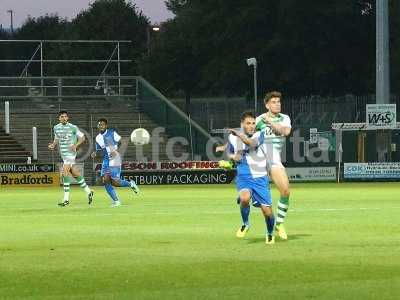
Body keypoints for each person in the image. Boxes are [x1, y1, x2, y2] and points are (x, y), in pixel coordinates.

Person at [227, 111, 275, 245]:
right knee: (244, 198)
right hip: (244, 177)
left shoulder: (259, 134)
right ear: (242, 124)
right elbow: (229, 152)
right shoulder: (232, 138)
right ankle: (245, 224)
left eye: (253, 123)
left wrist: (240, 134)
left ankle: (270, 233)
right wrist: (232, 157)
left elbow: (251, 144)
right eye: (248, 123)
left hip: (260, 178)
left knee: (267, 212)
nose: (252, 126)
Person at [255, 91, 291, 240]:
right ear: (267, 105)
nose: (277, 104)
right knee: (259, 197)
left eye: (279, 101)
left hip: (274, 158)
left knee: (286, 191)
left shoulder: (284, 118)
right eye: (274, 102)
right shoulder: (259, 120)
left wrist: (270, 122)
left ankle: (279, 224)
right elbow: (246, 133)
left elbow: (285, 132)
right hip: (259, 159)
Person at [48, 111, 94, 207]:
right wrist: (53, 145)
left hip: (71, 153)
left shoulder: (73, 127)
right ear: (59, 118)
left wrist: (75, 145)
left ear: (67, 118)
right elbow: (57, 138)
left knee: (64, 172)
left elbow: (82, 137)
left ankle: (66, 199)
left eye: (65, 116)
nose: (64, 118)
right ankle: (88, 191)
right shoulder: (56, 128)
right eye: (62, 116)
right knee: (75, 174)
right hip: (64, 154)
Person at [91, 118, 139, 207]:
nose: (101, 126)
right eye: (99, 124)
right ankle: (116, 201)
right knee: (105, 181)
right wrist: (95, 153)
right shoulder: (97, 138)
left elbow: (123, 142)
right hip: (106, 160)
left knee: (115, 182)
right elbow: (99, 150)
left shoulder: (112, 133)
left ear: (106, 125)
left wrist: (115, 151)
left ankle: (131, 184)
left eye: (102, 124)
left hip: (115, 158)